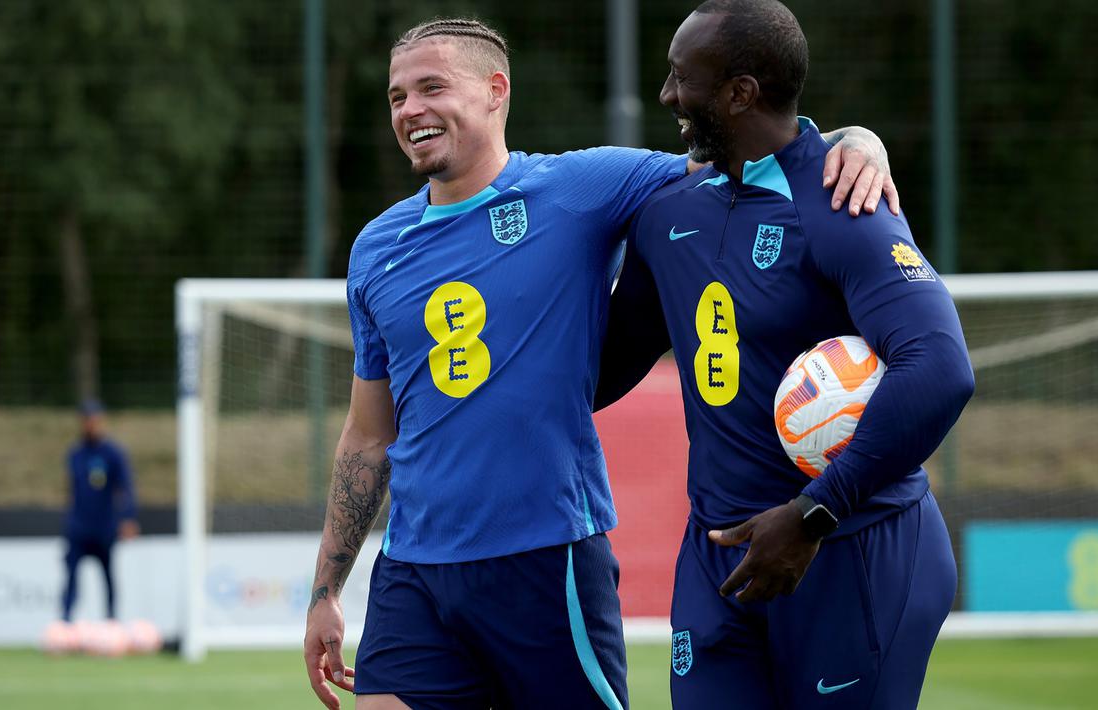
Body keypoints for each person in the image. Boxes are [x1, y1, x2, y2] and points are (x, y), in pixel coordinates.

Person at [303, 17, 896, 710]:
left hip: (546, 559)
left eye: (431, 87)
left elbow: (749, 151)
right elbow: (368, 436)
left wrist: (856, 141)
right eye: (396, 96)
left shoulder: (582, 188)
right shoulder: (377, 248)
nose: (409, 110)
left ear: (496, 91)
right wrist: (326, 593)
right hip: (413, 570)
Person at [594, 1, 975, 707]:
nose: (667, 96)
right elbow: (602, 368)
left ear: (740, 92)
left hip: (849, 548)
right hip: (718, 555)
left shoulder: (843, 201)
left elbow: (940, 368)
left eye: (682, 78)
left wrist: (813, 515)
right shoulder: (665, 210)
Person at [61, 399, 138, 622]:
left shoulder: (113, 453)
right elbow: (73, 491)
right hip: (78, 527)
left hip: (105, 527)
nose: (90, 425)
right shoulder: (75, 454)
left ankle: (111, 620)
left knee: (108, 576)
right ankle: (65, 623)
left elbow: (126, 487)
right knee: (71, 576)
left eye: (94, 420)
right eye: (86, 420)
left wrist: (128, 517)